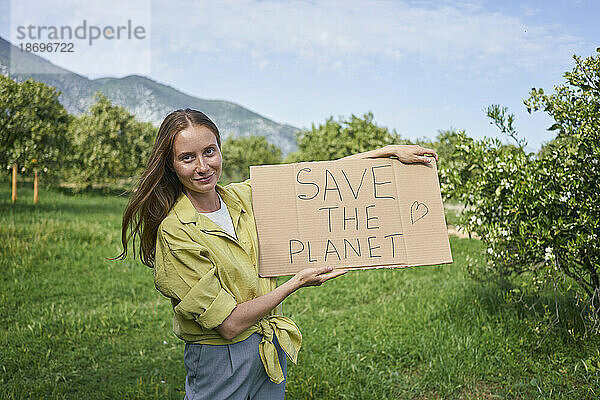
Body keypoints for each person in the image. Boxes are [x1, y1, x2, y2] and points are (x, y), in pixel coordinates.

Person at [115, 108, 438, 400]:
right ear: (170, 165)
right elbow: (227, 324)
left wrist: (387, 154)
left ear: (220, 151)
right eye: (187, 158)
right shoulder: (176, 231)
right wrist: (295, 283)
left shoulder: (241, 196)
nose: (203, 166)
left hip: (267, 344)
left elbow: (318, 178)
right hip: (220, 356)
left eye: (209, 152)